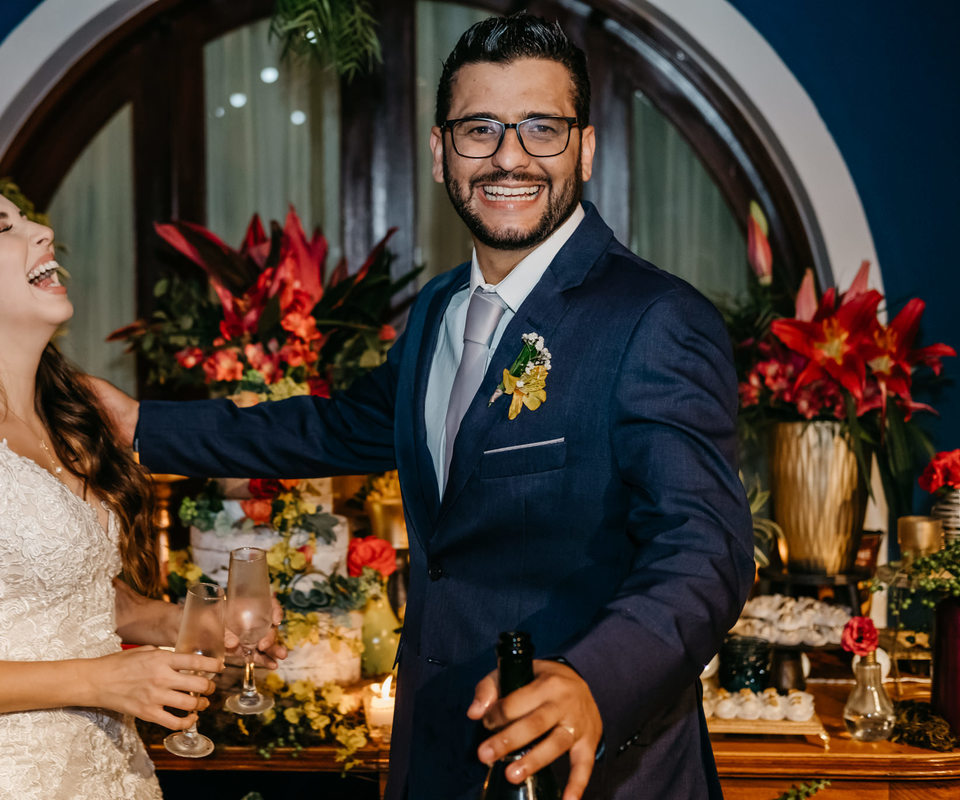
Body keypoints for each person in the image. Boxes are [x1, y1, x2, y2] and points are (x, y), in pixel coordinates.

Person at [91, 13, 753, 800]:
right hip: (437, 755)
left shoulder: (654, 318)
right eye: (480, 129)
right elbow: (340, 425)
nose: (510, 156)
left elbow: (704, 550)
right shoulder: (440, 307)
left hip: (600, 772)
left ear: (585, 148)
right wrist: (141, 426)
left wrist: (594, 681)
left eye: (542, 128)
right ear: (441, 154)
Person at [0, 173, 283, 799]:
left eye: (28, 218)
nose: (42, 231)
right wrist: (99, 680)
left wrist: (195, 625)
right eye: (4, 227)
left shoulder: (65, 418)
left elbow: (76, 599)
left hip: (106, 768)